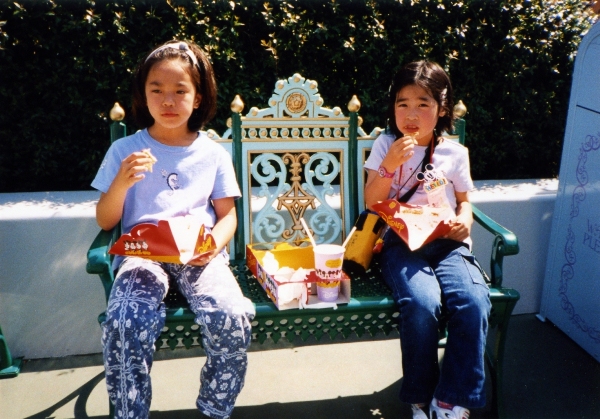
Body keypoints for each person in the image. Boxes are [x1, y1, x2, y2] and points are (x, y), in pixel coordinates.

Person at [91, 39, 255, 419]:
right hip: (142, 257)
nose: (168, 101)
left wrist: (212, 246)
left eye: (180, 91)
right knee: (124, 320)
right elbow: (105, 221)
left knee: (231, 315)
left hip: (198, 253)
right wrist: (121, 183)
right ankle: (130, 413)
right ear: (143, 95)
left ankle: (215, 409)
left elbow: (228, 216)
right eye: (157, 90)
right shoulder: (124, 151)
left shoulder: (212, 153)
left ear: (198, 98)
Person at [364, 61, 490, 419]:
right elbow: (372, 202)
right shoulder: (385, 144)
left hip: (447, 243)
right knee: (421, 302)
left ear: (442, 108)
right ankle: (420, 397)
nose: (411, 114)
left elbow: (465, 203)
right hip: (401, 244)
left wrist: (465, 221)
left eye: (423, 104)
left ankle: (450, 399)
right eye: (402, 103)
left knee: (473, 301)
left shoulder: (455, 153)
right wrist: (389, 164)